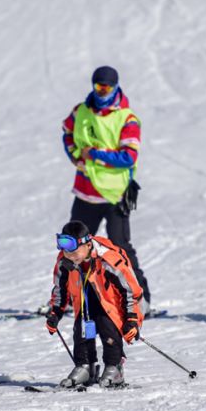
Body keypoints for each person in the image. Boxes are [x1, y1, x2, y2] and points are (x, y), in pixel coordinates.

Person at [61, 65, 152, 314]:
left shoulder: (126, 118)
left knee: (119, 247)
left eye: (107, 88)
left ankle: (141, 298)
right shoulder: (80, 111)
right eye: (98, 87)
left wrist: (95, 155)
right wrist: (75, 156)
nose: (102, 92)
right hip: (85, 192)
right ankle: (69, 297)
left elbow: (128, 157)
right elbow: (67, 131)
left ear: (115, 87)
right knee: (72, 245)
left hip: (114, 195)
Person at [44, 221, 144, 388]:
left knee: (107, 327)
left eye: (75, 253)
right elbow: (60, 289)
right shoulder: (65, 261)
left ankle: (114, 368)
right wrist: (55, 312)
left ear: (88, 244)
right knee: (81, 329)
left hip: (111, 305)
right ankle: (85, 367)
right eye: (66, 252)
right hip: (84, 301)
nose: (70, 256)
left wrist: (132, 319)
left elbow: (131, 290)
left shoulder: (109, 260)